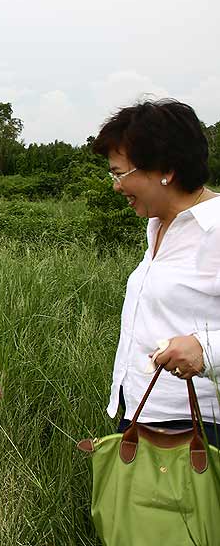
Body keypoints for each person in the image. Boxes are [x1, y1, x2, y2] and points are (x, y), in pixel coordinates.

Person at [92, 99, 220, 448]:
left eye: (121, 173)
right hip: (142, 414)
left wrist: (205, 349)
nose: (116, 186)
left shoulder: (215, 228)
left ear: (166, 169)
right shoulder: (157, 225)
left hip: (195, 429)